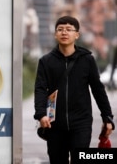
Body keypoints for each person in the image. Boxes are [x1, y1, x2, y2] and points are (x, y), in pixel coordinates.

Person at [34, 16, 115, 164]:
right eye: (60, 29)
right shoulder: (46, 61)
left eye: (69, 29)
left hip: (81, 123)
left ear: (77, 34)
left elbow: (98, 89)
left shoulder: (87, 59)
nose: (64, 32)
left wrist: (107, 117)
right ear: (55, 34)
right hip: (54, 124)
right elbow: (40, 89)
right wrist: (41, 114)